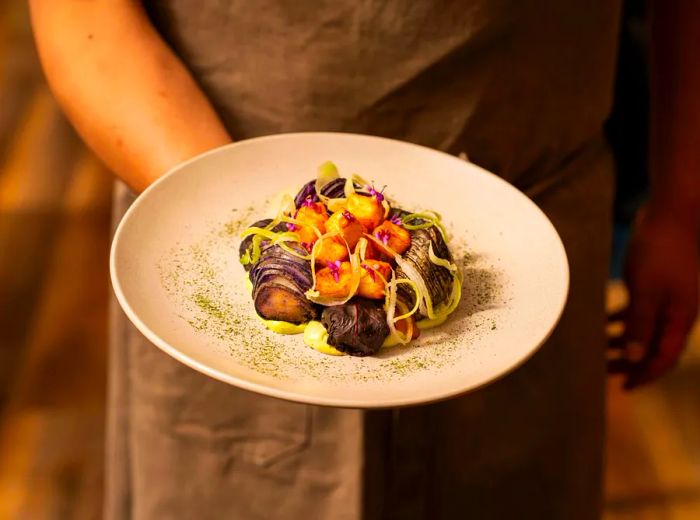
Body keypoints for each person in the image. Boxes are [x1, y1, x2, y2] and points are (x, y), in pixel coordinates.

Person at [29, 1, 699, 519]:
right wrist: (253, 234)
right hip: (209, 215)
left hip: (538, 244)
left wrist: (683, 205)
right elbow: (83, 16)